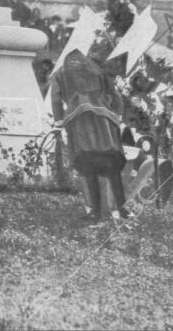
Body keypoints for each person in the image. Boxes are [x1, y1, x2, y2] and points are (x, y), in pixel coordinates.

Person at [49, 49, 126, 224]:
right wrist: (118, 114)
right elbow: (115, 94)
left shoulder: (60, 73)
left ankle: (95, 213)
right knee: (111, 164)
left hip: (79, 125)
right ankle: (122, 209)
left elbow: (55, 98)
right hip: (104, 124)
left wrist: (59, 120)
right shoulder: (97, 71)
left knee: (87, 165)